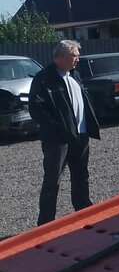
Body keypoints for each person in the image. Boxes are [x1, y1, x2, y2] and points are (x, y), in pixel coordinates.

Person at [28, 40, 100, 225]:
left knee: (81, 176)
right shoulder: (43, 78)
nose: (78, 59)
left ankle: (83, 212)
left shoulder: (75, 75)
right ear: (59, 57)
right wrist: (57, 129)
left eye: (77, 55)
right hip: (57, 140)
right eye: (74, 55)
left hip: (80, 136)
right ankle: (45, 223)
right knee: (52, 181)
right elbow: (37, 109)